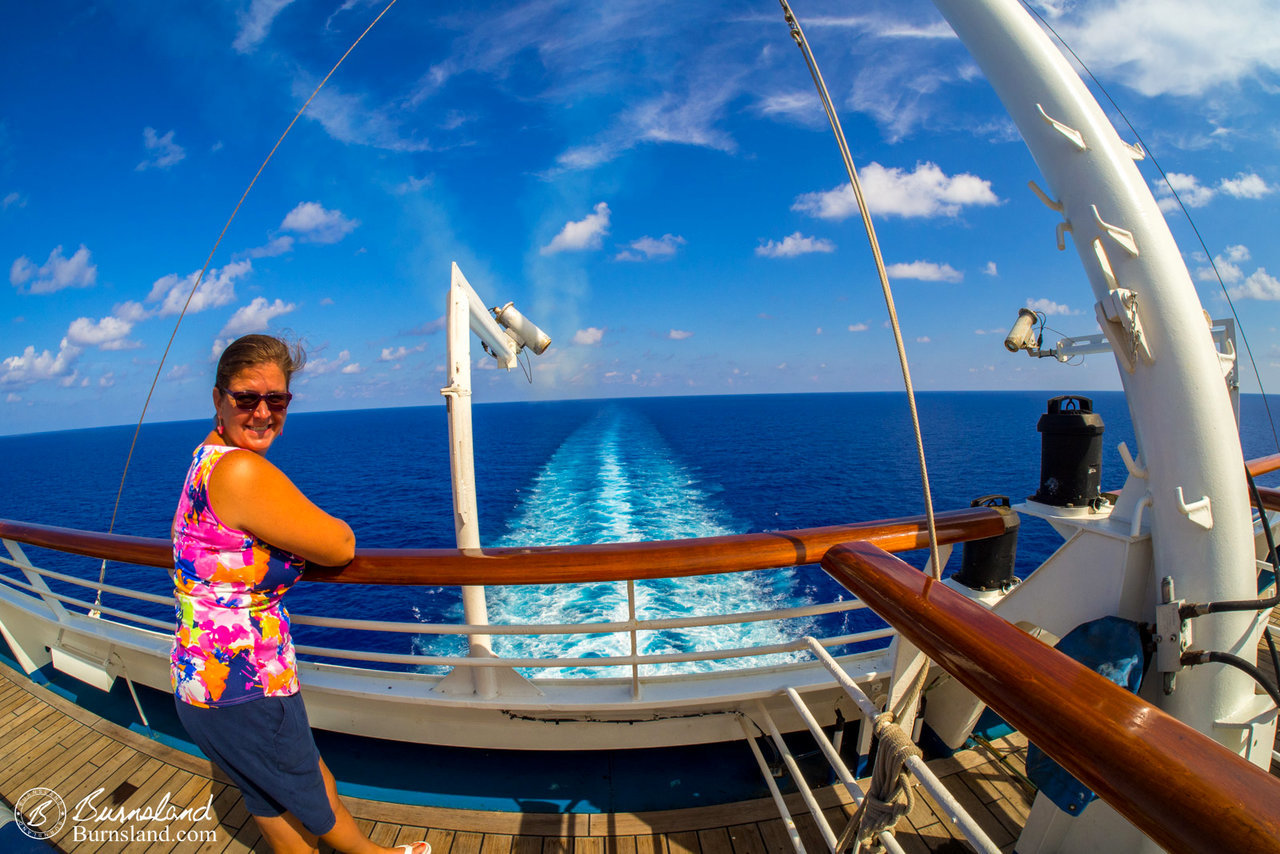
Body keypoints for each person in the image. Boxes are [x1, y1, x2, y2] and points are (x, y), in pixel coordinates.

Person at [171, 334, 429, 854]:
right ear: (219, 398)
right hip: (246, 684)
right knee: (310, 800)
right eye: (247, 398)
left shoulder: (205, 457)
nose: (262, 412)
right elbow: (339, 544)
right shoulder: (242, 470)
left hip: (202, 681)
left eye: (277, 399)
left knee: (272, 794)